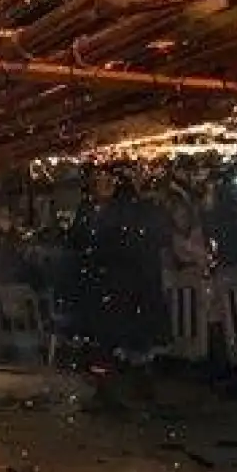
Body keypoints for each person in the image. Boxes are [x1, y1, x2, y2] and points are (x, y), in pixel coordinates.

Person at [63, 165, 165, 412]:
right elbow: (76, 243)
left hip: (126, 285)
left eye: (108, 179)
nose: (104, 183)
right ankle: (105, 388)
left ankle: (140, 383)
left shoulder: (126, 210)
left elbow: (132, 245)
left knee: (132, 338)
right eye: (99, 179)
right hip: (98, 287)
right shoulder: (87, 211)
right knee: (102, 342)